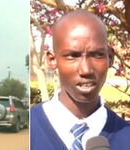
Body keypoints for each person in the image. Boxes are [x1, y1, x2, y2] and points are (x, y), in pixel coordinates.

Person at [30, 9, 130, 150]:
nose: (86, 70)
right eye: (73, 56)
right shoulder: (28, 131)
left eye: (97, 55)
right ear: (52, 60)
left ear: (110, 58)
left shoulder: (126, 137)